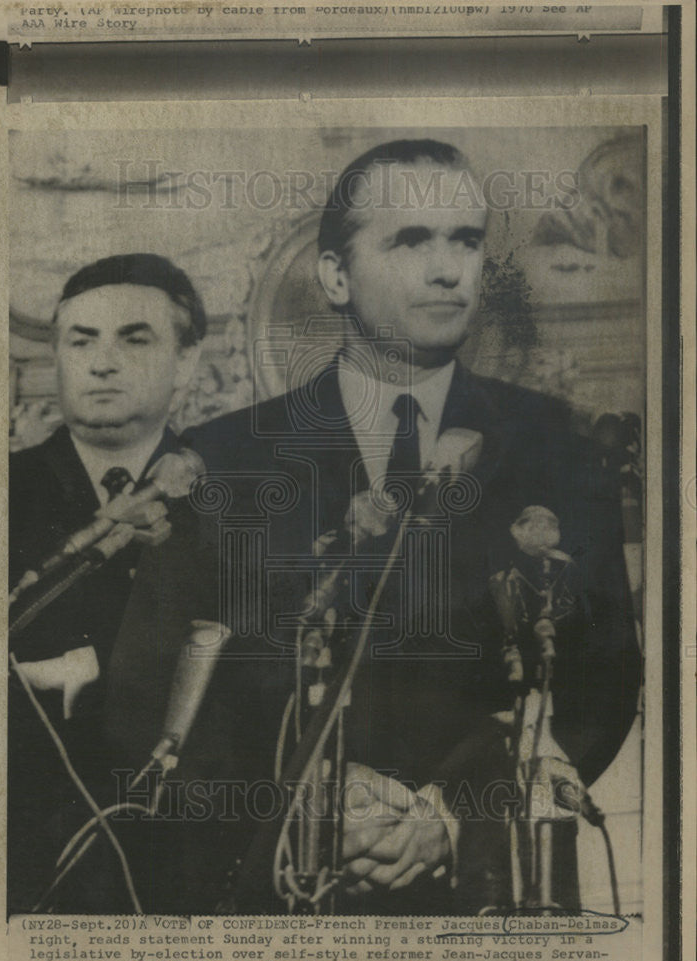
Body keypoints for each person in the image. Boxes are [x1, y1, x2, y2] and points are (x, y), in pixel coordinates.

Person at [107, 140, 642, 915]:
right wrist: (293, 803)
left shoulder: (558, 447)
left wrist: (448, 818)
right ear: (334, 276)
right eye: (409, 239)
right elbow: (143, 699)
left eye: (465, 239)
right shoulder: (217, 463)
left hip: (488, 899)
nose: (447, 268)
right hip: (271, 904)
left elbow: (600, 686)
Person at [8, 253, 205, 912]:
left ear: (188, 363)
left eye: (134, 338)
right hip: (26, 872)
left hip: (189, 875)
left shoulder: (243, 510)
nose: (100, 363)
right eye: (80, 340)